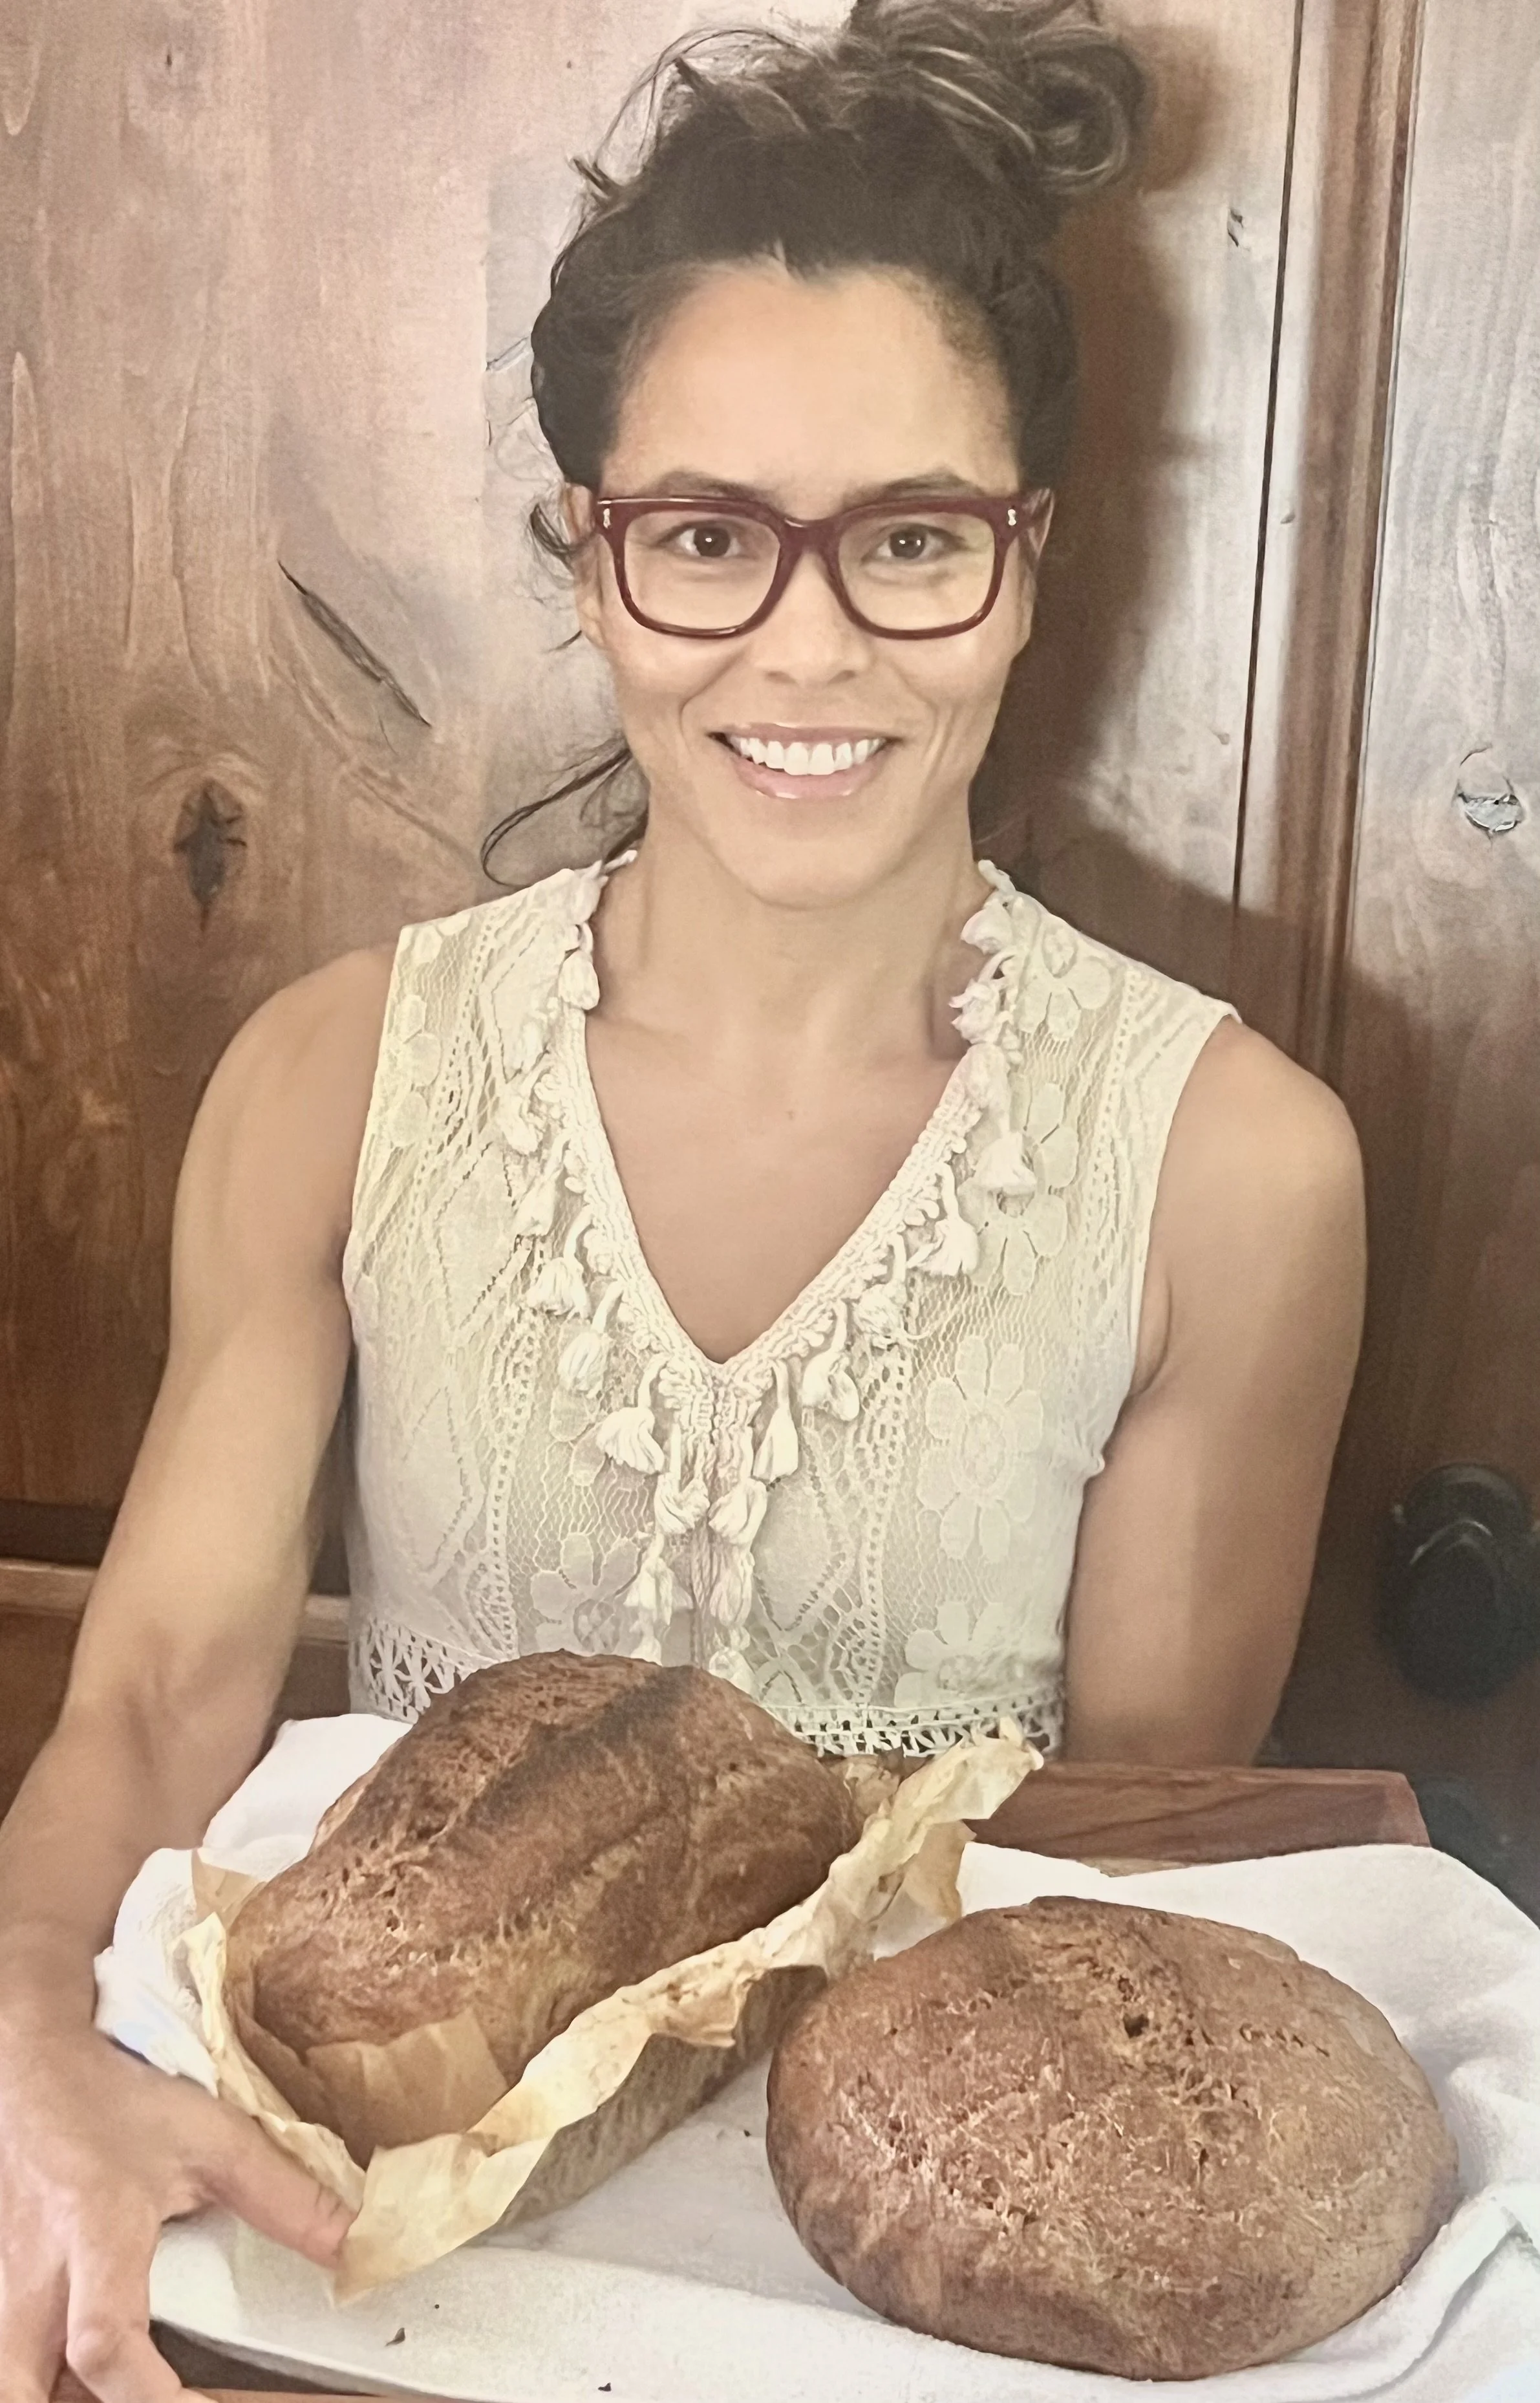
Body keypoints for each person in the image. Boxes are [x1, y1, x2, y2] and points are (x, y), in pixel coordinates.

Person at [0, 3, 1366, 2395]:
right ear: (591, 556)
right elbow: (150, 1692)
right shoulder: (340, 1076)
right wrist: (23, 2052)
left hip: (918, 2307)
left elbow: (1128, 1863)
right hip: (353, 2263)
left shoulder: (1229, 1169)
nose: (805, 641)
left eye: (911, 539)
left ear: (1026, 560)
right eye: (709, 537)